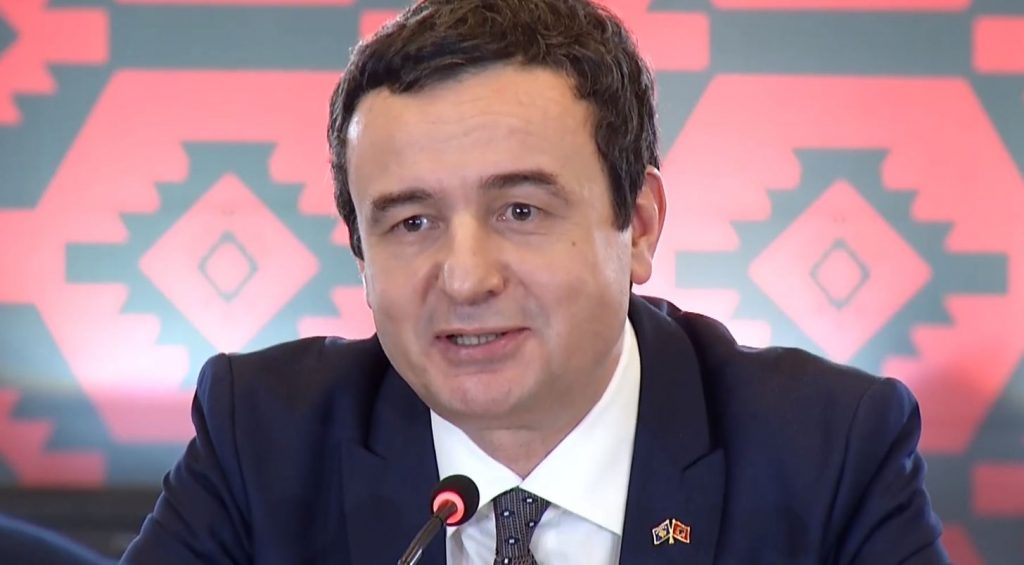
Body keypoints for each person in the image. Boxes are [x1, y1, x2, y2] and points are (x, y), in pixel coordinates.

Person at [121, 0, 948, 563]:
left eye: (520, 210)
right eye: (412, 223)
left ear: (640, 225)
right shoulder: (261, 437)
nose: (466, 277)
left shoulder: (827, 451)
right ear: (362, 257)